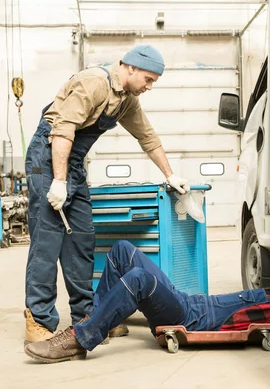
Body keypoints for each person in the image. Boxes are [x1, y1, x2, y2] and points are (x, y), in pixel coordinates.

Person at [23, 44, 191, 346]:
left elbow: (147, 137)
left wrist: (170, 174)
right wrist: (58, 182)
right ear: (130, 67)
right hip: (46, 157)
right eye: (148, 79)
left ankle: (86, 316)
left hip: (71, 161)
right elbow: (62, 131)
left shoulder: (127, 100)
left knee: (82, 240)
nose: (149, 87)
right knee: (47, 239)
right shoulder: (94, 83)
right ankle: (39, 320)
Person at [24, 234, 270, 363]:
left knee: (139, 281)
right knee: (123, 249)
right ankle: (97, 320)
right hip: (190, 302)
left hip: (192, 319)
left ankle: (82, 338)